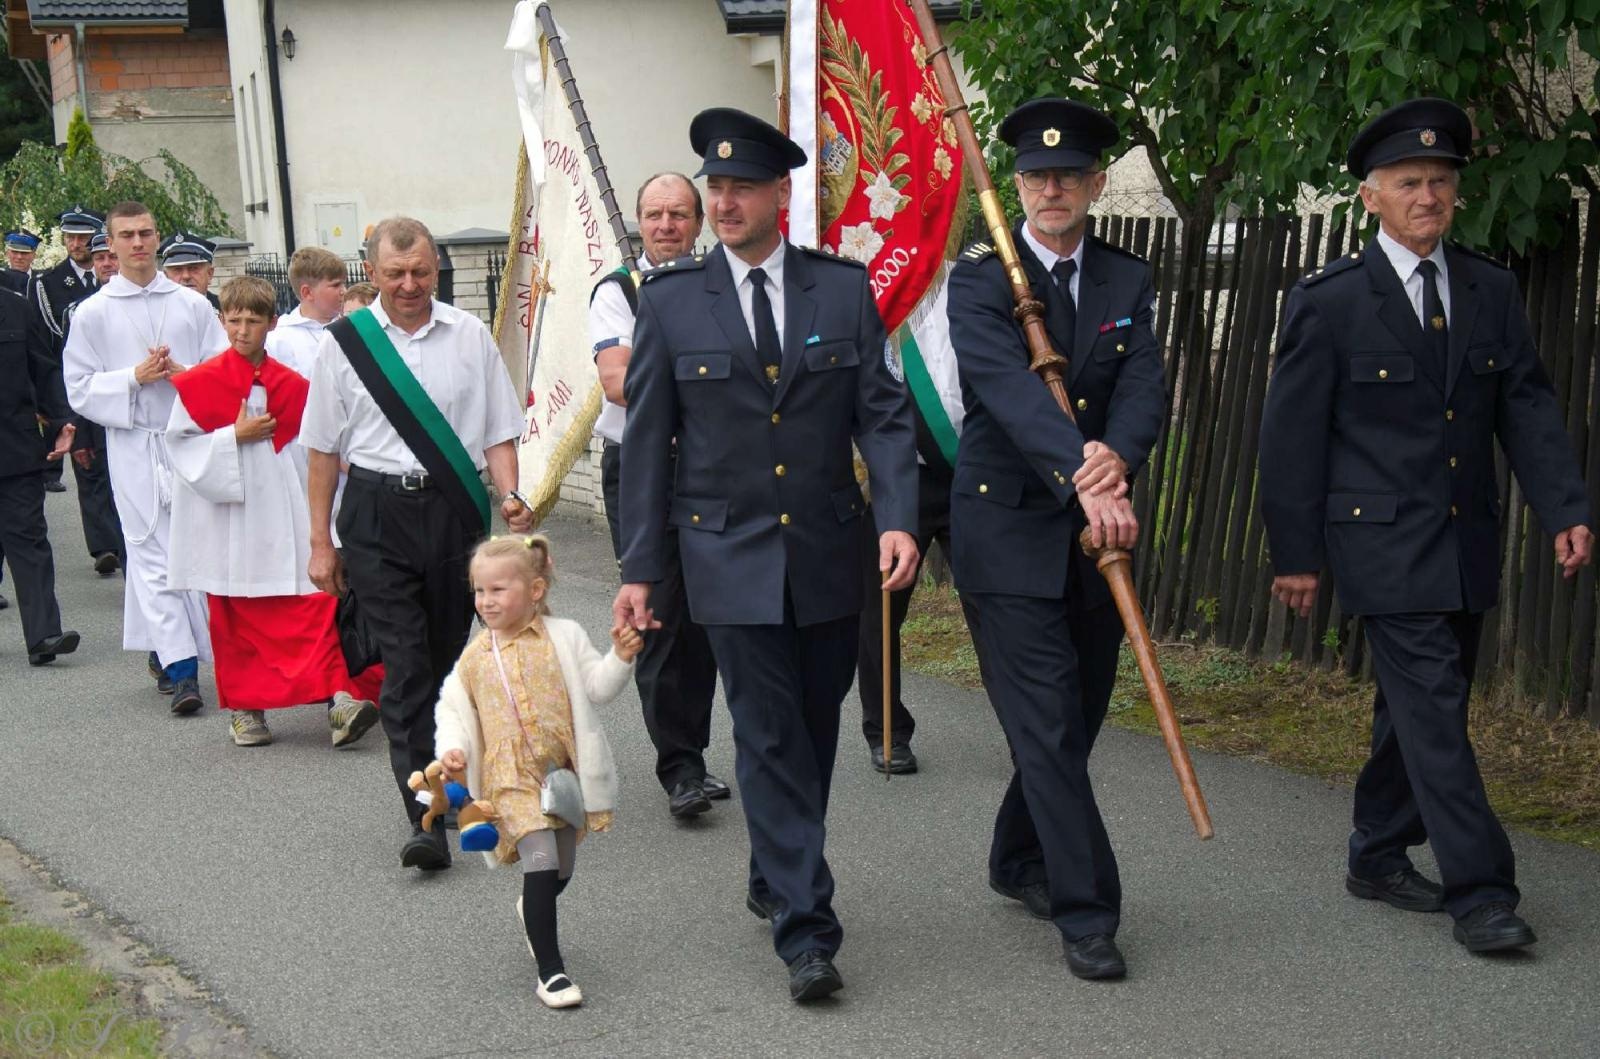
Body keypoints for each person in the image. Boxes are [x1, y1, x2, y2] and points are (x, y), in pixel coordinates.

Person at [1259, 98, 1594, 954]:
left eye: (1441, 183)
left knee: (1414, 709)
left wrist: (1564, 507)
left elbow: (1525, 405)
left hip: (1464, 538)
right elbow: (1291, 437)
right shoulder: (1330, 302)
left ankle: (1375, 852)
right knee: (1438, 710)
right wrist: (1295, 554)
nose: (1429, 198)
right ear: (1371, 196)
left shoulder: (1489, 289)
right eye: (1410, 183)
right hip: (1378, 543)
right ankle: (1482, 891)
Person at [614, 108, 919, 1002]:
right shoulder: (670, 304)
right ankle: (807, 926)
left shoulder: (841, 291)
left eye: (742, 186)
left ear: (781, 194)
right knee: (766, 728)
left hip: (829, 549)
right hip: (725, 557)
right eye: (716, 187)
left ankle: (774, 860)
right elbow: (646, 447)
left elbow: (885, 413)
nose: (725, 200)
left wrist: (898, 514)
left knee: (815, 726)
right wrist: (638, 570)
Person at [945, 98, 1166, 981]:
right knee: (1041, 723)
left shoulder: (1126, 279)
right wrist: (1082, 465)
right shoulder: (978, 279)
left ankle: (1016, 856)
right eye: (1036, 177)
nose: (1052, 189)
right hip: (1005, 529)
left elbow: (1146, 385)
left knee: (1074, 721)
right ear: (1020, 188)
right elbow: (1004, 388)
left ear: (1096, 184)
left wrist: (1119, 457)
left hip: (1097, 530)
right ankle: (1088, 909)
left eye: (1068, 175)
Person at [302, 216, 533, 871]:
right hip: (375, 515)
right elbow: (321, 451)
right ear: (369, 273)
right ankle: (427, 815)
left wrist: (509, 494)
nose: (410, 285)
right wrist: (321, 542)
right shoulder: (344, 345)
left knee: (441, 661)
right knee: (404, 667)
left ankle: (452, 780)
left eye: (422, 272)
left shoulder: (469, 338)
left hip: (454, 511)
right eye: (396, 273)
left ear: (437, 270)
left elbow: (498, 431)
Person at [164, 276, 382, 748]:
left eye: (254, 320)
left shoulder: (296, 386)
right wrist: (230, 438)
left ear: (272, 323)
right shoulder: (200, 385)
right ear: (221, 321)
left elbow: (322, 446)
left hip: (287, 513)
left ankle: (340, 698)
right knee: (236, 613)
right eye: (235, 320)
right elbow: (179, 448)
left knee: (314, 601)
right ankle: (246, 711)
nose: (243, 330)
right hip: (231, 521)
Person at [435, 535, 640, 1009]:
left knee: (560, 867)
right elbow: (450, 708)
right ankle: (551, 973)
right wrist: (451, 750)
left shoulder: (565, 636)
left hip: (561, 773)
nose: (486, 601)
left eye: (498, 590)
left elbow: (598, 688)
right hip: (509, 779)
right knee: (542, 859)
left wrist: (621, 657)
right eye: (479, 591)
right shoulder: (475, 656)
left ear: (535, 589)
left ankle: (534, 906)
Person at [590, 172, 726, 819]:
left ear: (698, 222)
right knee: (659, 612)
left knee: (708, 621)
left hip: (711, 468)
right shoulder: (618, 291)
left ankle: (693, 749)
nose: (666, 224)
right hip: (644, 469)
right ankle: (680, 767)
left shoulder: (718, 286)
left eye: (678, 213)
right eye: (654, 214)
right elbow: (619, 380)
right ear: (639, 223)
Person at [62, 201, 228, 714]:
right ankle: (183, 671)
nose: (137, 243)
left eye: (146, 233)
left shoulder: (191, 306)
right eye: (127, 235)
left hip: (188, 440)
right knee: (151, 554)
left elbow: (224, 371)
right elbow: (80, 387)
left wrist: (182, 375)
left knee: (195, 550)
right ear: (108, 244)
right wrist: (133, 377)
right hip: (134, 444)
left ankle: (167, 648)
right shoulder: (93, 312)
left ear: (157, 238)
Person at [0, 280, 80, 664]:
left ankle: (44, 635)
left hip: (14, 450)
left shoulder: (15, 308)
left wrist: (63, 422)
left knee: (29, 539)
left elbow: (45, 370)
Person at [59, 230, 128, 578]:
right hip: (94, 416)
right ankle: (105, 547)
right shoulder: (83, 311)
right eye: (100, 258)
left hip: (131, 414)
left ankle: (124, 551)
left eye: (110, 257)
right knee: (96, 480)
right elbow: (76, 376)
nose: (106, 264)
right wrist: (78, 432)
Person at [35, 206, 105, 495]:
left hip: (113, 383)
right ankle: (105, 543)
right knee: (91, 478)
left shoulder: (112, 275)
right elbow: (44, 346)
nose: (76, 244)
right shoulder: (47, 284)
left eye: (83, 238)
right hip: (72, 388)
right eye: (69, 237)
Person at [266, 246, 348, 377]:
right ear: (308, 292)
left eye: (344, 284)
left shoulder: (350, 326)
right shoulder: (279, 338)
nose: (344, 291)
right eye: (336, 285)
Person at [160, 233, 220, 312]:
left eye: (193, 268)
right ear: (166, 277)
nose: (186, 276)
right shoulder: (156, 312)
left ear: (209, 274)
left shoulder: (227, 308)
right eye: (178, 269)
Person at [2, 228, 40, 296]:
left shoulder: (41, 281)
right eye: (15, 252)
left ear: (34, 255)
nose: (19, 257)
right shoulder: (1, 279)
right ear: (7, 253)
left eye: (24, 253)